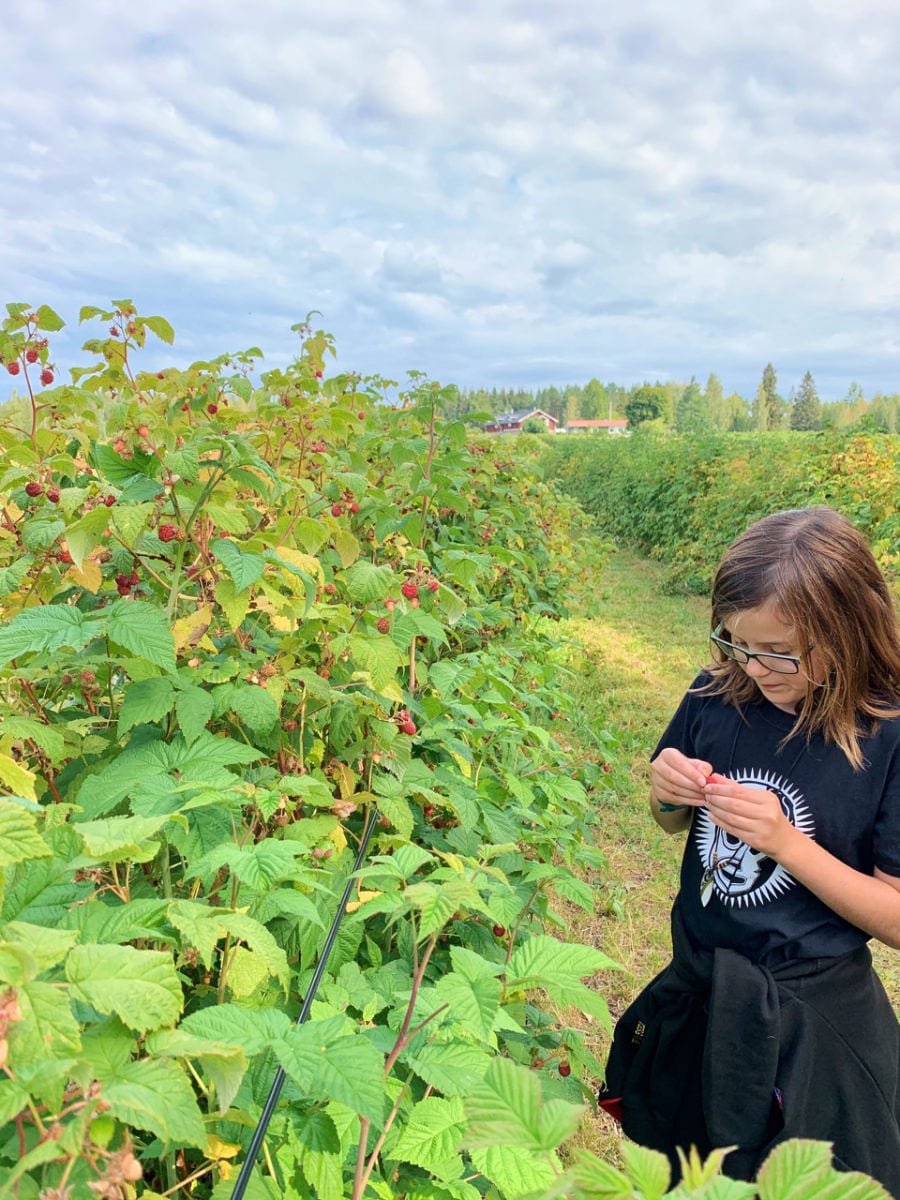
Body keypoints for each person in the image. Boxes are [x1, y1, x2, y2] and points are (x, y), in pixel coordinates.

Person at [598, 506, 900, 1193]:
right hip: (704, 997)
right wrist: (669, 791)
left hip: (811, 1022)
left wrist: (786, 843)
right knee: (692, 1174)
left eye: (777, 653)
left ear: (846, 631)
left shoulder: (886, 737)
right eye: (735, 642)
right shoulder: (717, 694)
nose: (754, 666)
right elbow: (672, 824)